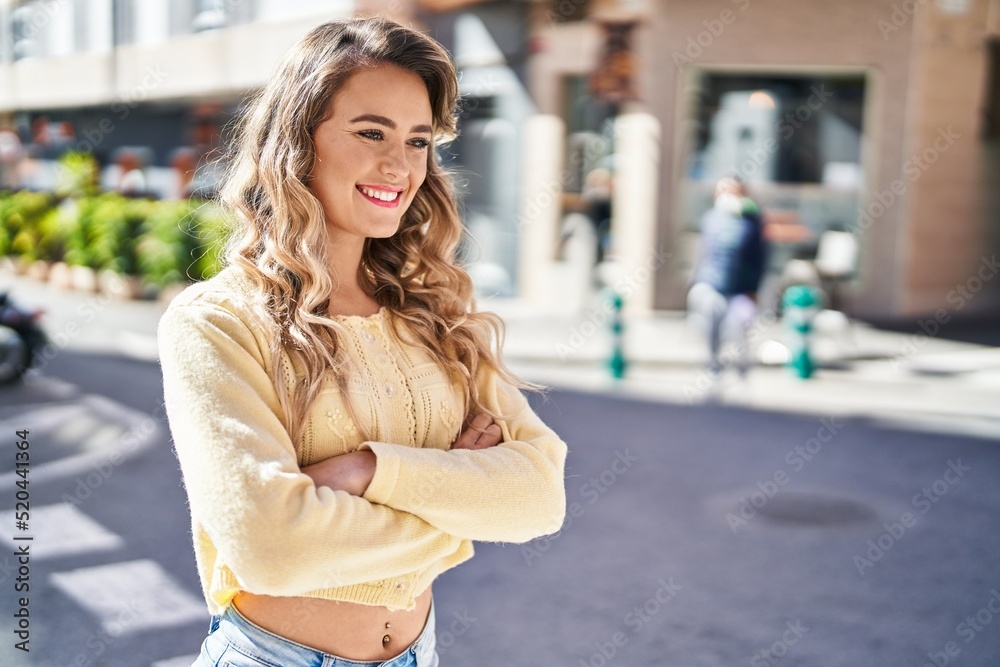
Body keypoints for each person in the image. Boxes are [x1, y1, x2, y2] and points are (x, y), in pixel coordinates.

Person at [156, 17, 568, 667]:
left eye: (418, 140)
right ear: (299, 142)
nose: (398, 165)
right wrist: (462, 503)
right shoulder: (216, 322)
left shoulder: (437, 312)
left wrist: (363, 470)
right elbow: (273, 546)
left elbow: (540, 495)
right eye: (371, 132)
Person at [686, 176, 768, 390]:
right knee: (711, 324)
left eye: (733, 190)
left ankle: (741, 374)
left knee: (740, 327)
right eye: (723, 189)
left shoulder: (752, 221)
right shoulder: (712, 218)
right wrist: (696, 279)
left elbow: (759, 257)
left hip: (740, 287)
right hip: (712, 283)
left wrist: (753, 289)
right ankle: (713, 366)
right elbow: (703, 252)